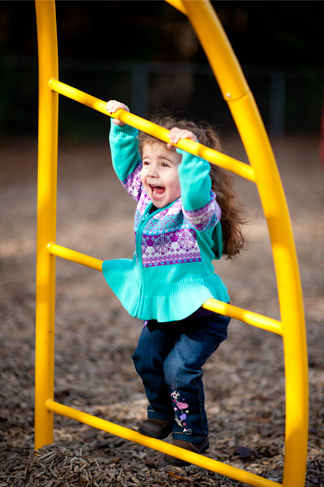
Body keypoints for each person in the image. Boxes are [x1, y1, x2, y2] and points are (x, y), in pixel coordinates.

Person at [104, 100, 245, 464]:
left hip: (201, 315)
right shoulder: (145, 199)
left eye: (165, 164)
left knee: (178, 369)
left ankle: (192, 436)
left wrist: (193, 156)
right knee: (146, 357)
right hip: (166, 310)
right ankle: (162, 413)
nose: (150, 172)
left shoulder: (196, 212)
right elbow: (125, 169)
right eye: (148, 162)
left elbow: (198, 192)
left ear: (187, 175)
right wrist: (121, 126)